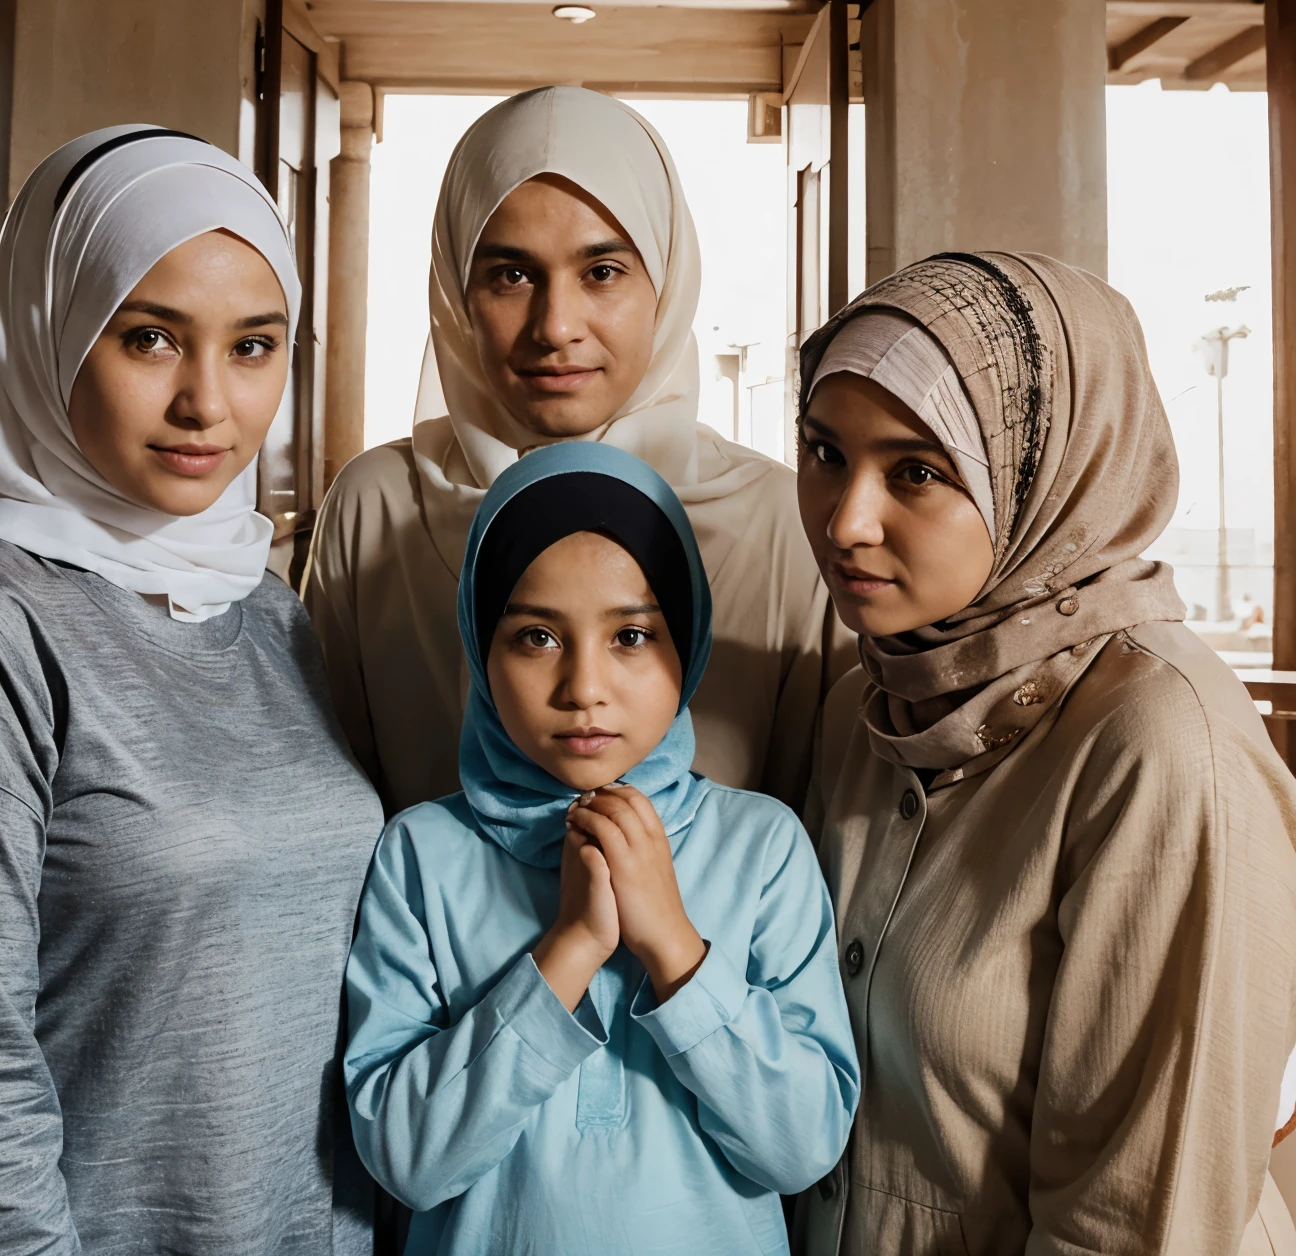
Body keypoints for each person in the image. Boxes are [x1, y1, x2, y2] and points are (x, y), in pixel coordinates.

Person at [0, 126, 384, 1255]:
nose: (207, 404)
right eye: (150, 338)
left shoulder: (262, 608)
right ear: (49, 332)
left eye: (255, 345)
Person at [792, 251, 1296, 1255]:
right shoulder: (870, 703)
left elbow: (1136, 1227)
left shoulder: (1159, 742)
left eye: (917, 473)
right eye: (824, 453)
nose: (846, 520)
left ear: (1045, 482)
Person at [344, 440, 859, 1255]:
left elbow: (802, 1149)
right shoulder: (422, 857)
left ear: (685, 645)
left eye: (631, 636)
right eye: (536, 638)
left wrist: (676, 948)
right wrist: (571, 949)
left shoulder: (762, 849)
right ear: (480, 651)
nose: (584, 686)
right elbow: (407, 1161)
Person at [306, 86, 843, 815]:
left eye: (602, 272)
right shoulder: (376, 507)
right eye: (511, 275)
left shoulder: (777, 523)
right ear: (457, 291)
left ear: (667, 282)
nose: (556, 325)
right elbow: (329, 808)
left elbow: (817, 823)